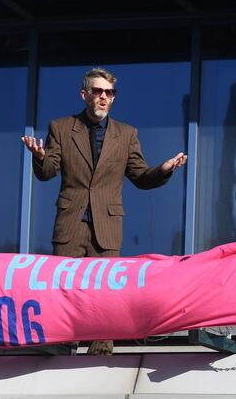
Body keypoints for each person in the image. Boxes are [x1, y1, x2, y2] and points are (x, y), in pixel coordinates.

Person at [20, 67, 187, 355]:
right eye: (97, 91)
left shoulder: (126, 134)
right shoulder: (61, 127)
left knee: (104, 296)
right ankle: (62, 353)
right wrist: (40, 156)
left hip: (106, 228)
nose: (103, 97)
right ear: (84, 94)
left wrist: (163, 170)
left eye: (109, 93)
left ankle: (100, 359)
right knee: (65, 291)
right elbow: (49, 171)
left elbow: (140, 177)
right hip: (71, 225)